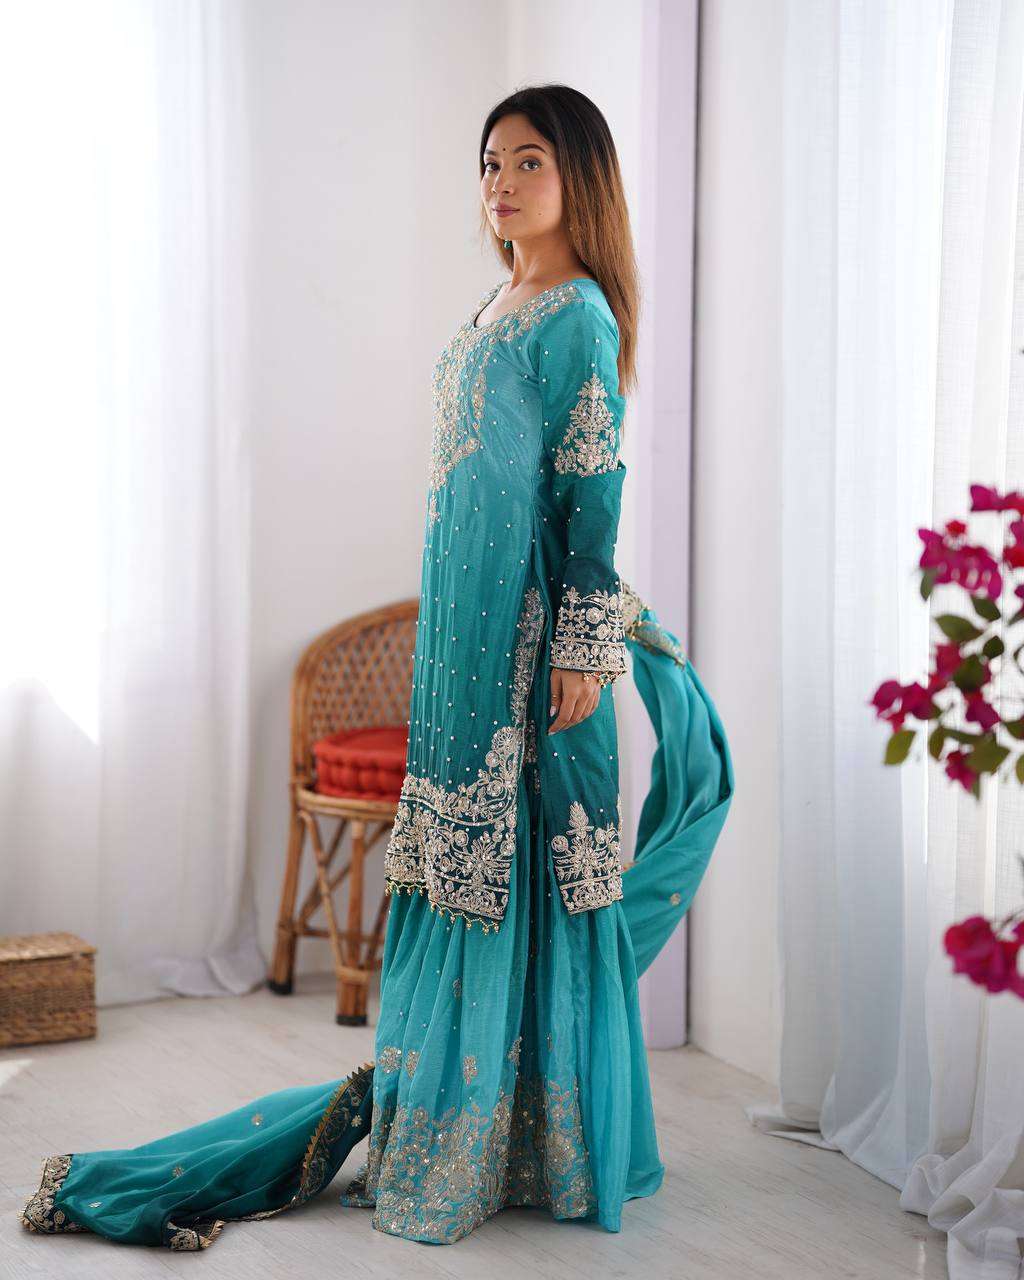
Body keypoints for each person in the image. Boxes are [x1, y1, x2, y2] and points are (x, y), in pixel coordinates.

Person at [21, 83, 734, 1252]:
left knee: (517, 881)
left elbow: (590, 497)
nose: (501, 182)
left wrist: (581, 653)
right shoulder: (497, 302)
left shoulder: (580, 317)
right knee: (456, 873)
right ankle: (464, 1124)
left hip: (528, 653)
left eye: (530, 161)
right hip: (459, 642)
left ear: (581, 179)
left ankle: (525, 1145)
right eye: (490, 161)